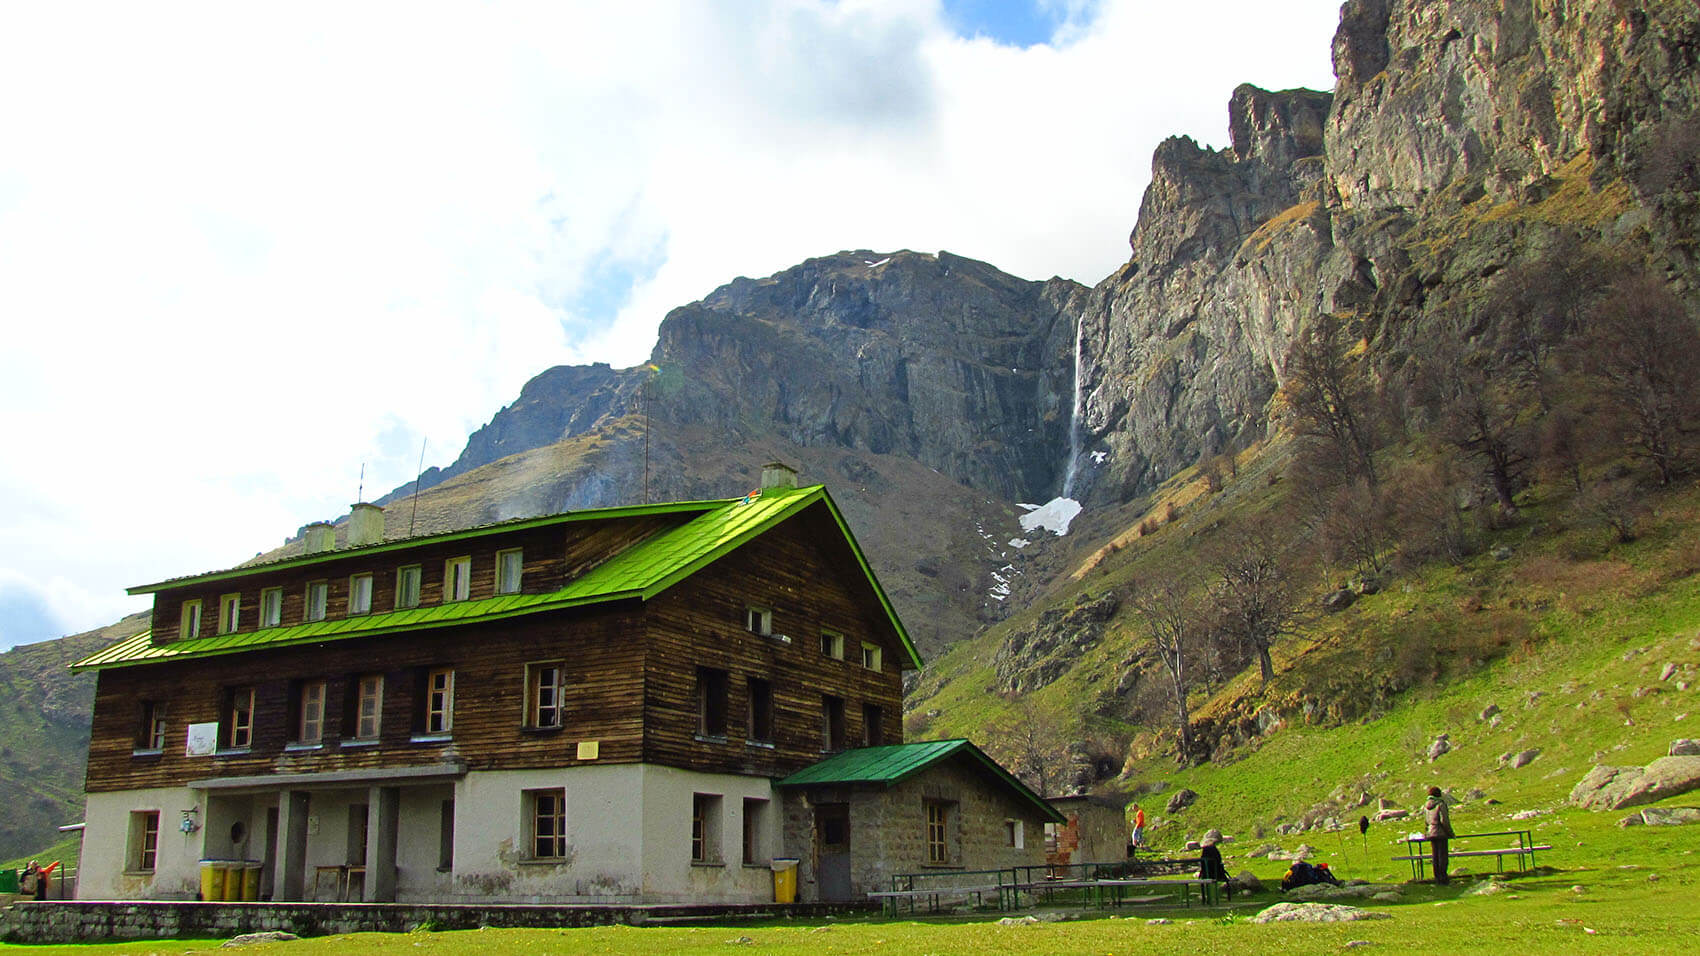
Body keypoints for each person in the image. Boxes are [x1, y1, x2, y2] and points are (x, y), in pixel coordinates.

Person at [1424, 786, 1453, 885]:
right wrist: (1450, 833)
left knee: (1435, 856)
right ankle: (1443, 878)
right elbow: (1444, 820)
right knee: (1442, 857)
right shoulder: (1441, 804)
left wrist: (1427, 832)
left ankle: (1437, 878)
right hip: (1440, 833)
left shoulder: (1426, 806)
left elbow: (1426, 821)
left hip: (1431, 833)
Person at [1198, 829, 1232, 901]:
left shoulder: (1205, 854)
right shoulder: (1215, 853)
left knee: (1203, 882)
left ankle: (1205, 899)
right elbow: (1219, 860)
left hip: (1206, 875)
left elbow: (1202, 862)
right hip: (1218, 873)